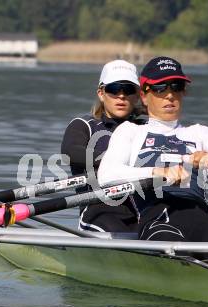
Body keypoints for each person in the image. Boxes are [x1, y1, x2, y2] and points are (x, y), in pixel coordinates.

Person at [98, 56, 208, 242]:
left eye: (176, 86)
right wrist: (159, 172)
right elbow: (107, 176)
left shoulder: (200, 133)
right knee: (165, 237)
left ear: (183, 92)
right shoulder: (130, 131)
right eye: (160, 88)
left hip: (202, 218)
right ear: (144, 96)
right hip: (158, 218)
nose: (169, 95)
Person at [61, 60, 146, 232]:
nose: (121, 96)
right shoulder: (84, 125)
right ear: (101, 93)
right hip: (99, 209)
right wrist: (116, 160)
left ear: (137, 95)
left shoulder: (146, 128)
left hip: (144, 211)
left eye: (128, 90)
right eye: (114, 89)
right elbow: (70, 153)